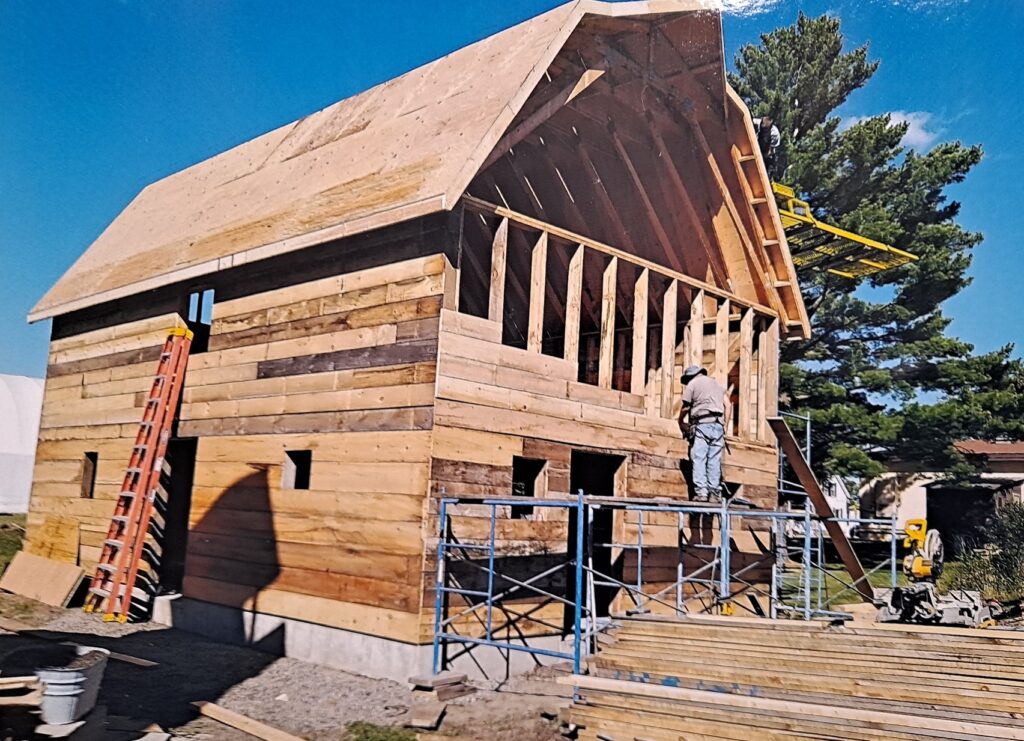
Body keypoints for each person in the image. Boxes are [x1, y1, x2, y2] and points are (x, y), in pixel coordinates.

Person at [679, 365, 730, 502]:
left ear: (689, 377)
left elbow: (686, 406)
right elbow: (728, 405)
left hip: (702, 424)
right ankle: (714, 494)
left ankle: (701, 493)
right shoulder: (716, 385)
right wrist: (725, 425)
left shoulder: (692, 384)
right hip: (718, 425)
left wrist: (680, 421)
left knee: (699, 458)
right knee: (714, 460)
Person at [753, 115, 781, 179]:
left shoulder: (774, 134)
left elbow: (770, 151)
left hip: (766, 155)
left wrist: (759, 158)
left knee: (764, 173)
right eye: (762, 124)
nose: (763, 127)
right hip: (755, 146)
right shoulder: (756, 122)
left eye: (765, 128)